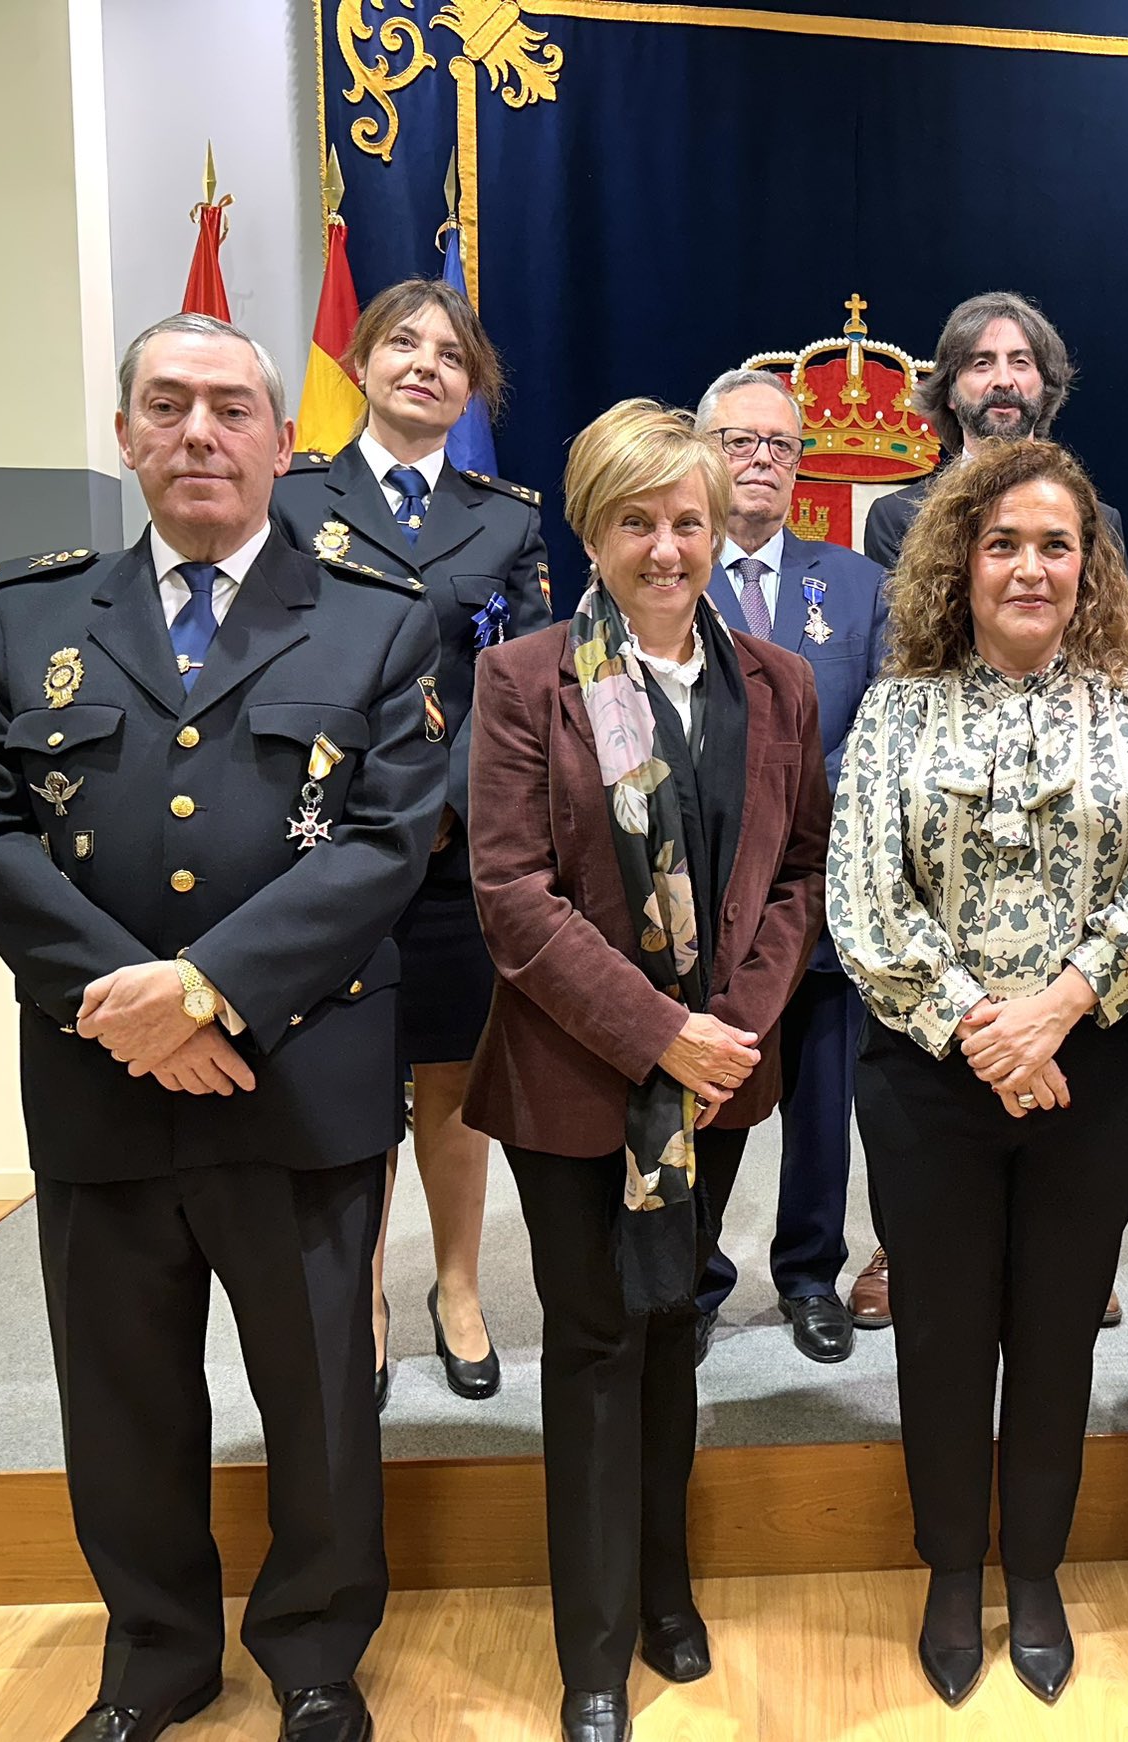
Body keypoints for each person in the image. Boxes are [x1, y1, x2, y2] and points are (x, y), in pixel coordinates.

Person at [0, 312, 445, 1742]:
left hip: (293, 1080)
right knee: (121, 1395)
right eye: (169, 405)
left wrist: (208, 986)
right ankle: (154, 1655)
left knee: (319, 1396)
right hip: (101, 1082)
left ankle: (316, 1655)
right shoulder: (28, 615)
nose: (201, 433)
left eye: (233, 408)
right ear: (125, 435)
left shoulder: (378, 615)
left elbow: (385, 838)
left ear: (285, 442)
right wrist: (133, 1008)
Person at [829, 439, 1128, 1708]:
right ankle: (953, 1568)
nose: (1030, 566)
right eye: (1003, 542)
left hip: (1091, 1069)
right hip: (927, 1075)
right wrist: (976, 1028)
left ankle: (1038, 1567)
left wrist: (1054, 1010)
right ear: (958, 558)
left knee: (1057, 1324)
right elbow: (862, 898)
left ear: (1088, 565)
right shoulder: (897, 708)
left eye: (1056, 544)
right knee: (942, 1330)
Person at [464, 399, 828, 1742]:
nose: (668, 548)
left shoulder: (775, 684)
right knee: (600, 1335)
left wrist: (725, 1027)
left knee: (678, 1318)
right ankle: (595, 1647)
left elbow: (794, 874)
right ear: (593, 533)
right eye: (638, 522)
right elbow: (511, 893)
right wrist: (655, 1031)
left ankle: (668, 1586)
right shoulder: (532, 678)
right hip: (577, 1081)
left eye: (687, 518)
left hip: (718, 1081)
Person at [272, 276, 552, 1407]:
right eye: (402, 343)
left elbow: (523, 678)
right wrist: (377, 804)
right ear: (363, 363)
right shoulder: (294, 502)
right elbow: (276, 661)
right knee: (349, 1076)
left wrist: (442, 795)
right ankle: (364, 1294)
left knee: (450, 1073)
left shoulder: (506, 516)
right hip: (328, 841)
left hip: (451, 843)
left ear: (471, 382)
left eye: (449, 352)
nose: (425, 364)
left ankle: (454, 1287)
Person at [853, 289, 1126, 1332]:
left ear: (1042, 384)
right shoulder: (897, 514)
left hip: (1062, 805)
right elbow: (905, 660)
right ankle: (901, 1235)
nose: (1001, 377)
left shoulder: (1093, 513)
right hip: (939, 797)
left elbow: (1100, 655)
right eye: (979, 361)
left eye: (1019, 361)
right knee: (917, 1071)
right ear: (949, 385)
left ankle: (1072, 1236)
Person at [690, 366, 889, 1364]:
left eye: (778, 444)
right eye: (739, 440)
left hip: (813, 882)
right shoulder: (661, 563)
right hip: (694, 886)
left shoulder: (854, 582)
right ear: (703, 451)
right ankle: (692, 1275)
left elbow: (881, 721)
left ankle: (808, 1272)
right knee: (700, 1084)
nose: (760, 459)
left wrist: (788, 810)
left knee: (821, 1095)